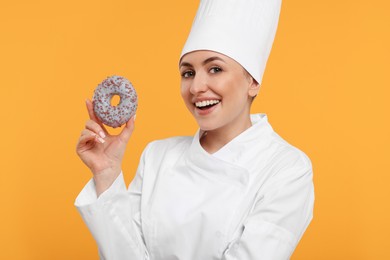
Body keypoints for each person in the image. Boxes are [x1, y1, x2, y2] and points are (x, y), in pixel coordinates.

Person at [75, 0, 314, 259]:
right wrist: (106, 174)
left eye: (215, 69)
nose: (196, 87)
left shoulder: (287, 168)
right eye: (188, 73)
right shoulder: (158, 156)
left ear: (253, 81)